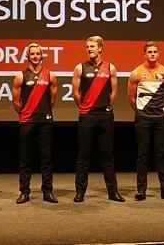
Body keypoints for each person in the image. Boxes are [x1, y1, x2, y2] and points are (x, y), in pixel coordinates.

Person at [72, 36, 124, 203]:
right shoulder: (80, 68)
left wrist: (107, 107)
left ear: (100, 48)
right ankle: (80, 192)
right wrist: (85, 108)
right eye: (87, 47)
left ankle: (112, 192)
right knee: (83, 157)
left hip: (105, 116)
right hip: (87, 116)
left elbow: (114, 92)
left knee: (108, 156)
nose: (89, 49)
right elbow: (75, 93)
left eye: (92, 46)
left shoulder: (111, 68)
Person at [128, 41, 164, 201]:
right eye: (149, 52)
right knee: (143, 155)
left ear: (158, 54)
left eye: (155, 52)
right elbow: (131, 97)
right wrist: (142, 111)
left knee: (161, 154)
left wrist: (157, 109)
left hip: (160, 119)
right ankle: (141, 191)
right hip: (143, 118)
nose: (152, 54)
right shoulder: (136, 73)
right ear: (145, 54)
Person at [11, 43, 58, 204]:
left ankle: (48, 191)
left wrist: (42, 112)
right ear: (28, 56)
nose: (35, 56)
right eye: (32, 54)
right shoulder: (21, 76)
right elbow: (16, 101)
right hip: (27, 122)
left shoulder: (50, 75)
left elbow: (52, 100)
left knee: (46, 158)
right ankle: (24, 192)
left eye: (38, 53)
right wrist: (26, 114)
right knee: (26, 159)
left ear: (42, 56)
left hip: (45, 122)